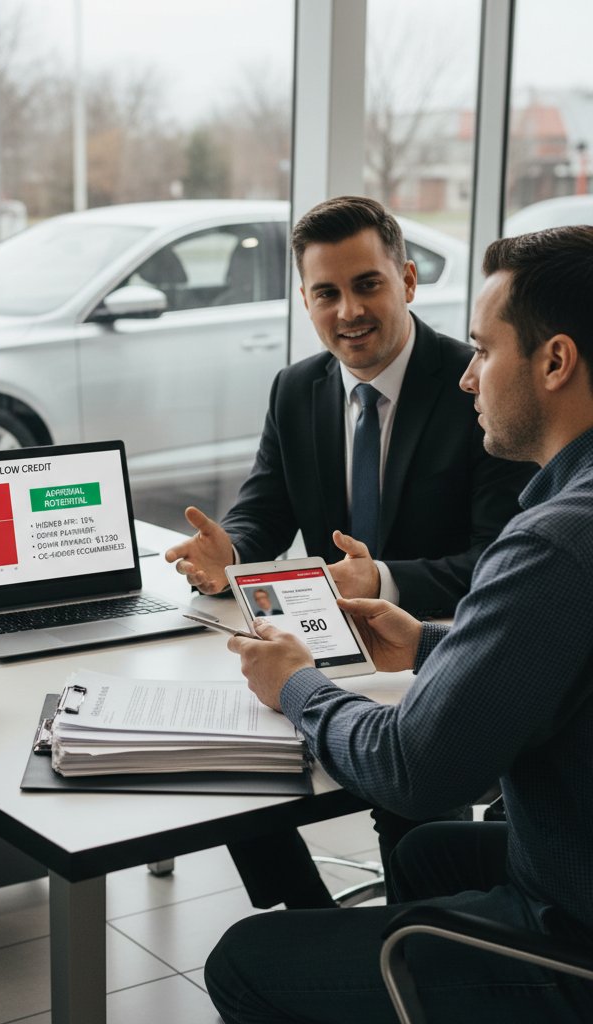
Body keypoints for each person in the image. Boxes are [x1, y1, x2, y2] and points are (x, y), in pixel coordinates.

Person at [206, 225, 593, 1023]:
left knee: (241, 960)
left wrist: (298, 686)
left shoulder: (555, 541)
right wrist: (426, 641)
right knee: (427, 854)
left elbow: (413, 766)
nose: (469, 376)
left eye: (485, 351)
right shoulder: (570, 522)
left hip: (573, 936)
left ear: (556, 361)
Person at [165, 195, 534, 911]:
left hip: (436, 652)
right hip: (327, 643)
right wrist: (229, 551)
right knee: (230, 750)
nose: (349, 311)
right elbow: (265, 508)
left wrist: (385, 580)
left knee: (413, 814)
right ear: (305, 299)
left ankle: (416, 936)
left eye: (367, 285)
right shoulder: (296, 388)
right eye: (326, 293)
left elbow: (498, 557)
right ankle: (307, 916)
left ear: (408, 279)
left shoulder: (477, 386)